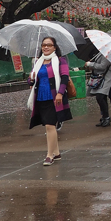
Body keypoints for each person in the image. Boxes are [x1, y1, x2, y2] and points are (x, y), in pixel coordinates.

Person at [29, 37, 72, 166]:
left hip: (55, 98)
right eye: (43, 45)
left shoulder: (60, 61)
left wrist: (60, 93)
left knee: (50, 125)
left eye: (49, 45)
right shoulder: (38, 62)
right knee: (48, 125)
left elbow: (65, 78)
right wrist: (30, 79)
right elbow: (33, 80)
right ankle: (57, 152)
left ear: (54, 47)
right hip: (40, 97)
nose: (46, 47)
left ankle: (49, 155)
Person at [85, 52, 111, 127]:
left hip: (105, 79)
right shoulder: (98, 53)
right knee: (102, 98)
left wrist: (90, 64)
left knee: (100, 97)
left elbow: (103, 66)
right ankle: (104, 117)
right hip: (99, 79)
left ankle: (107, 117)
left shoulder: (107, 54)